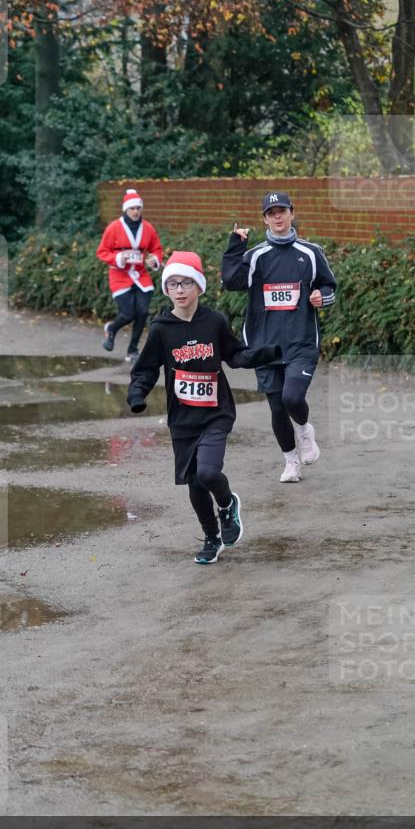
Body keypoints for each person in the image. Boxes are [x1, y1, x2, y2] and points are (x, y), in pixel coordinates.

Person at [127, 251, 281, 565]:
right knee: (195, 483)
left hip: (216, 413)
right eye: (173, 283)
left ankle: (227, 505)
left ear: (199, 286)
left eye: (186, 282)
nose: (179, 289)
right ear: (166, 289)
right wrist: (137, 394)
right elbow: (146, 369)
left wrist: (265, 354)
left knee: (208, 471)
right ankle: (212, 537)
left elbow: (234, 354)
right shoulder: (161, 329)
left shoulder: (214, 321)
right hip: (182, 419)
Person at [221, 190, 337, 482]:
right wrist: (235, 245)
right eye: (271, 213)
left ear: (291, 213)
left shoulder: (311, 252)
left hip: (301, 340)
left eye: (282, 211)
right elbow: (231, 282)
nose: (277, 217)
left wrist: (321, 297)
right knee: (276, 407)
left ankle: (304, 430)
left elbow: (329, 287)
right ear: (265, 219)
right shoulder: (255, 256)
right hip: (264, 344)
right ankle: (291, 462)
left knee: (292, 397)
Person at [96, 188, 164, 362]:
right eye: (132, 208)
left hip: (141, 276)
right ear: (126, 209)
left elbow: (156, 249)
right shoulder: (114, 228)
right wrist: (118, 258)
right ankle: (111, 329)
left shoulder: (148, 228)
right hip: (119, 276)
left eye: (138, 208)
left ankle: (132, 350)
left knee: (142, 312)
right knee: (128, 314)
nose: (135, 212)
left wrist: (154, 260)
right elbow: (102, 252)